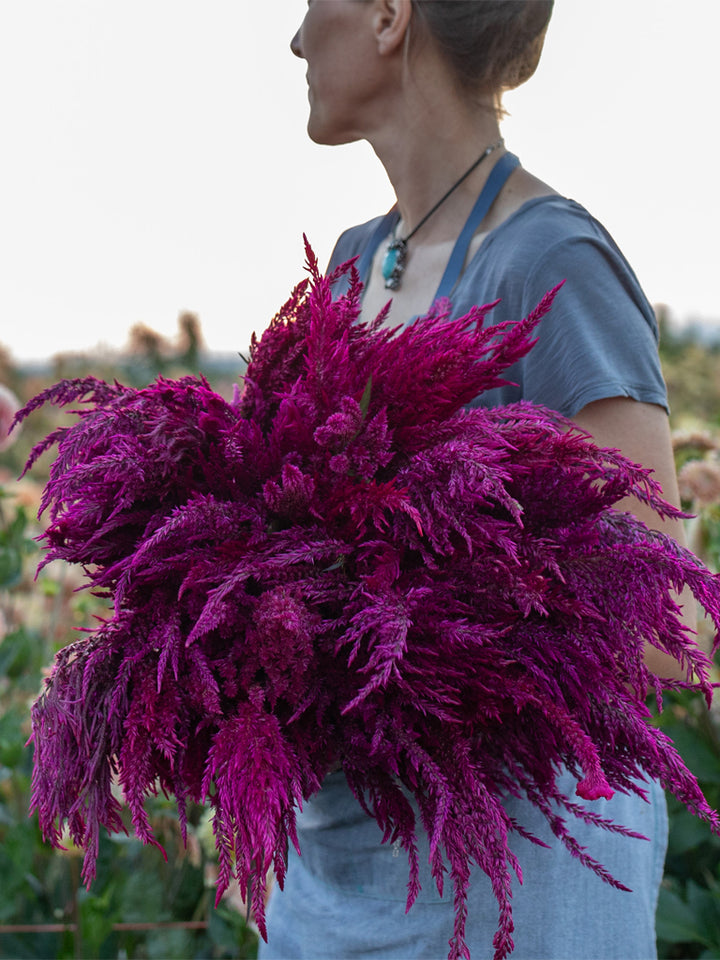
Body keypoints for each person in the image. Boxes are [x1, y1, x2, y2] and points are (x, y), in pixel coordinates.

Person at [260, 2, 690, 957]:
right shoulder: (346, 270)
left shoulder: (550, 263)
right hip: (334, 870)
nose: (294, 37)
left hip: (514, 882)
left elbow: (672, 627)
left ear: (386, 15)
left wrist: (425, 622)